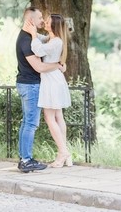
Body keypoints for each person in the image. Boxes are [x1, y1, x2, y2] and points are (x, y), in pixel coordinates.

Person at [15, 6, 65, 173]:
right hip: (30, 86)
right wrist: (57, 65)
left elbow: (48, 41)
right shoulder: (26, 41)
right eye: (40, 18)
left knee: (26, 123)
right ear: (31, 21)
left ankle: (24, 158)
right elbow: (39, 66)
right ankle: (26, 160)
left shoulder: (29, 37)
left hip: (29, 84)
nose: (43, 21)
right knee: (30, 123)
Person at [24, 12, 73, 168]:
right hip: (54, 79)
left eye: (48, 21)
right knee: (58, 116)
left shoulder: (56, 42)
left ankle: (63, 152)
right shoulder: (53, 39)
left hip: (51, 81)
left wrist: (32, 35)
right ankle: (65, 154)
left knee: (50, 117)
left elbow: (37, 50)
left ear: (54, 26)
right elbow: (41, 38)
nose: (45, 22)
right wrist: (33, 31)